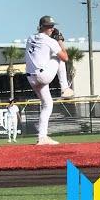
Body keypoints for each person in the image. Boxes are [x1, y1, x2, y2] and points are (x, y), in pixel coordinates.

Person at [25, 15, 74, 146]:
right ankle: (64, 88)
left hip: (31, 78)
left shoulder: (30, 38)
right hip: (42, 76)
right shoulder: (50, 41)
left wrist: (53, 40)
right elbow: (66, 57)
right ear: (43, 27)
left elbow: (40, 50)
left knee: (48, 105)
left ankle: (42, 137)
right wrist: (60, 41)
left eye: (52, 26)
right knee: (59, 58)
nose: (52, 28)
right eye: (49, 26)